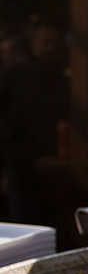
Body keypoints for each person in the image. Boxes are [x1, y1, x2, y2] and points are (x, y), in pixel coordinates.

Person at [0, 18, 69, 225]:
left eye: (54, 43)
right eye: (45, 42)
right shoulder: (13, 74)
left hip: (52, 165)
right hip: (20, 164)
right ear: (33, 41)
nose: (49, 49)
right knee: (25, 224)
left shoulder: (60, 76)